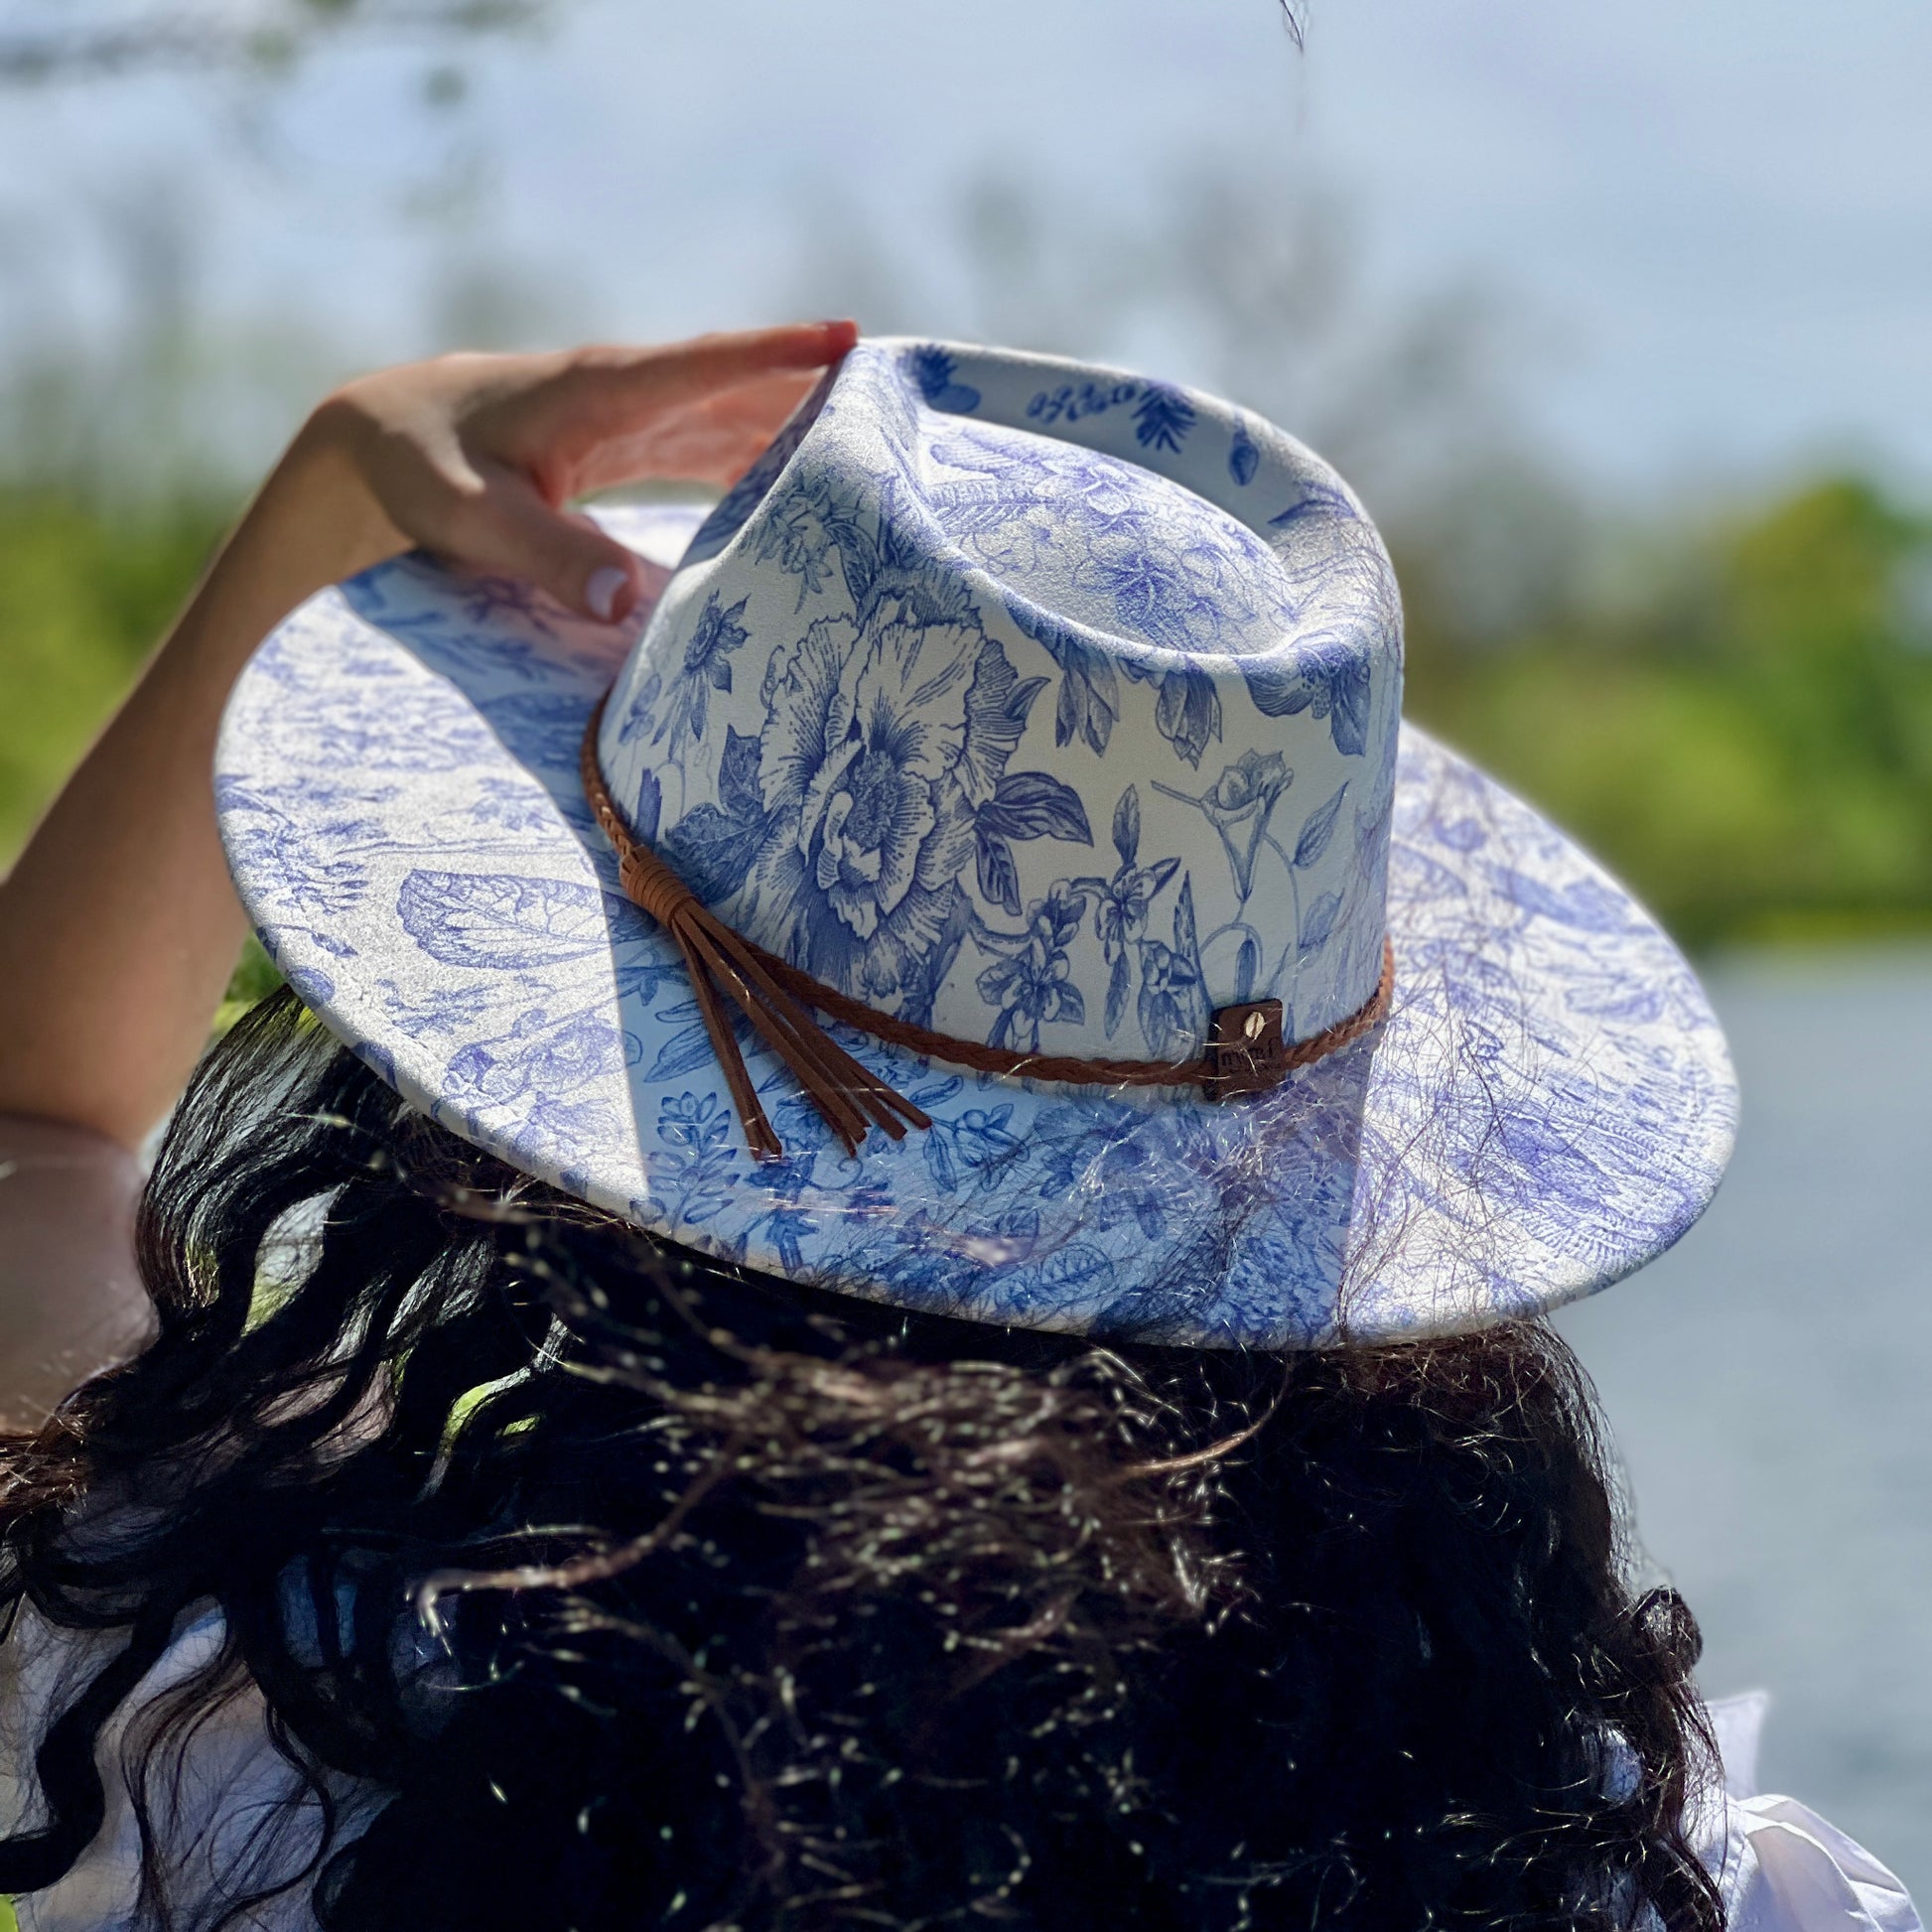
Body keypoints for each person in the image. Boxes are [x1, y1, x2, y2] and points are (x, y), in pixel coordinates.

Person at [0, 325, 1914, 1932]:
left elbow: (35, 1130)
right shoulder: (1634, 1864)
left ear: (545, 1149)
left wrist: (335, 498)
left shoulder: (275, 1753)